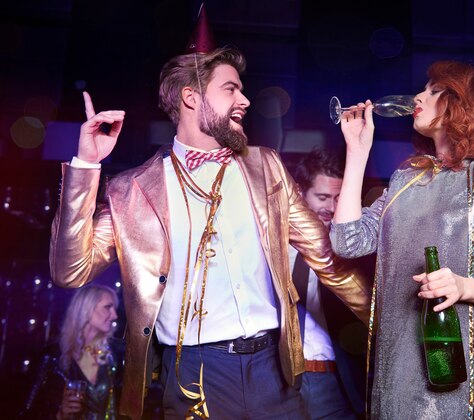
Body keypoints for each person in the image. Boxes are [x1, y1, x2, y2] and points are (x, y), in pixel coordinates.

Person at [48, 13, 371, 420]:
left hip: (276, 370)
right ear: (190, 97)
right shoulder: (132, 191)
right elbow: (69, 271)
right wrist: (85, 166)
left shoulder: (266, 167)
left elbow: (329, 259)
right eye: (231, 89)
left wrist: (387, 318)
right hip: (194, 375)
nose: (245, 100)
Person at [329, 60, 474, 419]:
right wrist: (357, 154)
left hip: (446, 377)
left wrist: (463, 287)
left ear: (463, 103)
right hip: (390, 374)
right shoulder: (406, 175)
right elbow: (348, 242)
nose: (419, 95)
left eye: (434, 90)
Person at [291, 148, 368, 419]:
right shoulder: (273, 246)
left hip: (336, 382)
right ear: (299, 193)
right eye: (322, 197)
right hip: (280, 382)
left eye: (338, 197)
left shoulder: (355, 252)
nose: (332, 207)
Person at [21, 284, 124, 419]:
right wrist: (60, 415)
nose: (114, 316)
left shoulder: (116, 354)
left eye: (114, 309)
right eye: (108, 307)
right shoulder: (52, 356)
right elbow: (28, 411)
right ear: (87, 309)